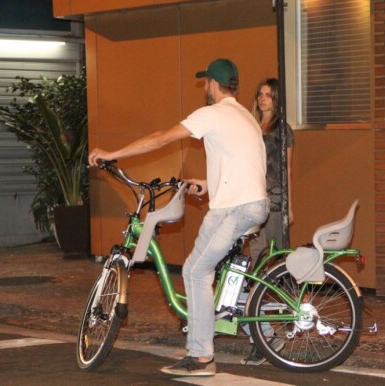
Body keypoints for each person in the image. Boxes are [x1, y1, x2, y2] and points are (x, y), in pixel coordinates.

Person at [88, 58, 269, 377]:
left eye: (206, 83)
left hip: (236, 208)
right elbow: (243, 165)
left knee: (196, 272)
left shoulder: (213, 114)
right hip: (246, 204)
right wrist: (207, 184)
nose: (205, 88)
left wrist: (112, 154)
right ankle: (255, 327)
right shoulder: (246, 116)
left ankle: (201, 358)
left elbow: (162, 137)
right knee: (207, 270)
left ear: (212, 84)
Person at [240, 78, 294, 366]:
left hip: (274, 205)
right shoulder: (249, 127)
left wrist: (289, 207)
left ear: (276, 100)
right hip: (251, 205)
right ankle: (262, 335)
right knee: (255, 268)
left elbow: (287, 172)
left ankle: (288, 319)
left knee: (278, 267)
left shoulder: (281, 131)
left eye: (269, 96)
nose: (263, 99)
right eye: (260, 94)